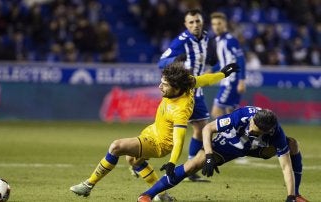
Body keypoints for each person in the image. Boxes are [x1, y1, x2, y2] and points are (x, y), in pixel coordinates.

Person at [70, 62, 238, 200]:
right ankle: (162, 195)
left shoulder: (180, 110)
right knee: (133, 161)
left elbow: (179, 139)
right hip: (152, 131)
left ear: (176, 88)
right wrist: (223, 74)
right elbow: (205, 80)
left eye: (164, 85)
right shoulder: (187, 83)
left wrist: (172, 162)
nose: (159, 87)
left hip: (159, 143)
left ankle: (88, 185)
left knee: (116, 146)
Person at [137, 106, 308, 202]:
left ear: (267, 131)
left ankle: (297, 196)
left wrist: (290, 196)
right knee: (196, 162)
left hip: (257, 148)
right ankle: (147, 195)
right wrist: (210, 155)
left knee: (292, 144)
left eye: (254, 131)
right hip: (229, 144)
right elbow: (208, 128)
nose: (250, 128)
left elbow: (286, 167)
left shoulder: (276, 133)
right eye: (251, 125)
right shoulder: (242, 116)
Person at [157, 9, 212, 181]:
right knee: (166, 136)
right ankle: (138, 160)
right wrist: (176, 60)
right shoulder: (180, 42)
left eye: (197, 21)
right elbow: (161, 62)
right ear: (186, 25)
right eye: (191, 22)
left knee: (201, 128)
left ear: (202, 22)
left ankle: (190, 167)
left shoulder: (206, 37)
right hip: (182, 93)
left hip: (198, 91)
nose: (195, 25)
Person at [209, 12, 247, 118]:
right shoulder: (219, 40)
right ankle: (235, 134)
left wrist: (242, 80)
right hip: (227, 81)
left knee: (216, 112)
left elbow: (240, 59)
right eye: (214, 24)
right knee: (231, 114)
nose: (216, 27)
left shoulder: (230, 40)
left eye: (219, 23)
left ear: (224, 24)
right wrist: (212, 70)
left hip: (231, 81)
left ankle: (227, 134)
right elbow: (225, 61)